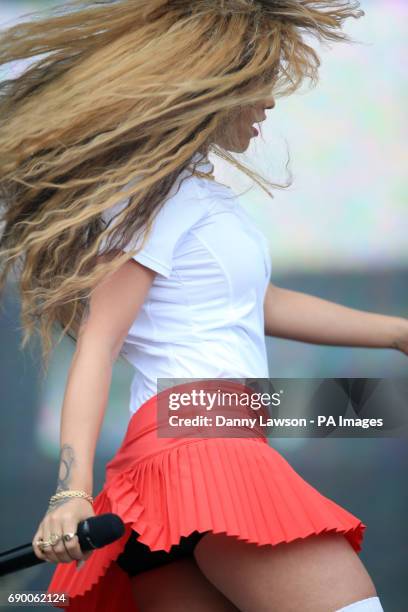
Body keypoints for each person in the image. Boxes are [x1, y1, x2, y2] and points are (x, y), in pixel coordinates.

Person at [0, 1, 406, 610]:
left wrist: (397, 332)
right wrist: (69, 494)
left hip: (197, 447)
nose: (269, 102)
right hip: (202, 440)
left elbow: (259, 303)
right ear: (214, 88)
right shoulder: (154, 196)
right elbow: (98, 346)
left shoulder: (191, 196)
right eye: (259, 83)